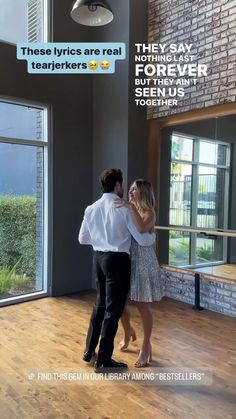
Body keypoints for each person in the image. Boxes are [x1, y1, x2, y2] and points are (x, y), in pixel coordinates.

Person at [78, 169, 156, 373]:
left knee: (99, 306)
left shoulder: (91, 208)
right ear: (118, 185)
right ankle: (104, 359)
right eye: (124, 185)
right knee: (113, 310)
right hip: (118, 261)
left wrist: (101, 240)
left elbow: (82, 239)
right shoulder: (123, 208)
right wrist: (152, 238)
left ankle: (89, 351)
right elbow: (141, 238)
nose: (126, 189)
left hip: (98, 259)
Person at [115, 179, 164, 368]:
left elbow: (142, 228)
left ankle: (146, 345)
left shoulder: (149, 212)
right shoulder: (129, 209)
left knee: (143, 305)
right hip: (127, 259)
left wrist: (130, 206)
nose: (130, 191)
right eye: (130, 189)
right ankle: (127, 331)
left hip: (143, 262)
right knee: (119, 301)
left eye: (134, 189)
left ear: (143, 193)